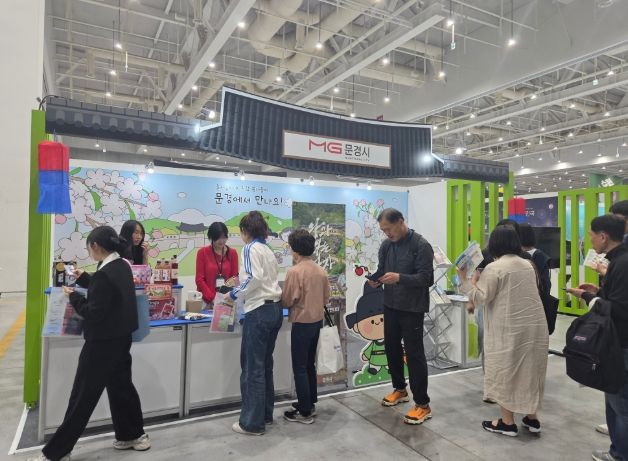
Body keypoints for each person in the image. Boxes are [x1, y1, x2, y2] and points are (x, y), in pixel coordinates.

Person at [31, 226, 149, 461]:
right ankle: (133, 435)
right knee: (121, 388)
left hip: (101, 343)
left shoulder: (106, 272)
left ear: (95, 246)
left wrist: (73, 296)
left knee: (82, 397)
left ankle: (57, 452)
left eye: (89, 247)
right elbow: (106, 290)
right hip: (121, 339)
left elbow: (93, 311)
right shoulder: (122, 265)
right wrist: (84, 278)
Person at [460, 225, 548, 437]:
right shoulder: (527, 264)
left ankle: (507, 423)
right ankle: (532, 418)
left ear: (494, 244)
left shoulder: (495, 268)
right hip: (534, 327)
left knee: (506, 370)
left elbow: (481, 297)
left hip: (508, 328)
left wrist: (466, 280)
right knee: (530, 371)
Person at [566, 215, 628, 461]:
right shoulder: (618, 261)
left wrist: (589, 298)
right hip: (618, 342)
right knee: (615, 400)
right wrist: (598, 292)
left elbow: (620, 309)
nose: (590, 240)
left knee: (620, 404)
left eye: (591, 235)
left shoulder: (622, 264)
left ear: (603, 236)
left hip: (621, 343)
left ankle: (620, 454)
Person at [368, 208, 434, 425]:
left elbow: (426, 278)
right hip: (390, 305)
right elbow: (382, 269)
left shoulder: (421, 245)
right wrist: (375, 279)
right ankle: (400, 389)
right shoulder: (386, 245)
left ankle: (422, 404)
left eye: (389, 229)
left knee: (414, 355)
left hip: (412, 308)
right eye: (383, 230)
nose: (387, 233)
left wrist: (399, 278)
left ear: (400, 222)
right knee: (391, 348)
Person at [228, 211, 283, 436]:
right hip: (274, 309)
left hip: (258, 310)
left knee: (253, 368)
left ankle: (251, 423)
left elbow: (253, 278)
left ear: (245, 231)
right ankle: (265, 415)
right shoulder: (267, 249)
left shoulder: (249, 248)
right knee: (265, 365)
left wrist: (233, 294)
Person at [281, 229, 330, 424]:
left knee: (299, 367)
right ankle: (309, 403)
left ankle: (304, 411)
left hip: (301, 323)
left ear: (294, 250)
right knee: (310, 364)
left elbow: (287, 300)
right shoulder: (320, 270)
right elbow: (326, 297)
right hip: (317, 322)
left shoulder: (294, 272)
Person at [195, 221, 239, 305]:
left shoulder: (232, 253)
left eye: (224, 237)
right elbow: (199, 279)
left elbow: (234, 279)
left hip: (226, 301)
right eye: (218, 238)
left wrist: (225, 299)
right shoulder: (202, 253)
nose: (222, 241)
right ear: (211, 237)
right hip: (205, 301)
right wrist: (213, 299)